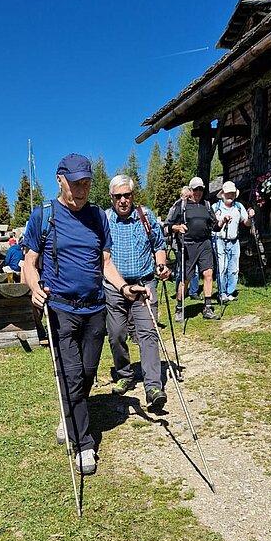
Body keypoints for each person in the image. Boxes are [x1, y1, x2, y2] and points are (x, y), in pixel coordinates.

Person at [22, 153, 148, 475]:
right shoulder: (44, 216)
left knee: (87, 373)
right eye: (76, 183)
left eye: (87, 183)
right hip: (61, 308)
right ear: (60, 180)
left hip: (95, 309)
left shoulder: (97, 217)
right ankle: (83, 445)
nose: (81, 189)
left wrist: (124, 288)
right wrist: (35, 287)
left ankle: (69, 414)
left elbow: (106, 263)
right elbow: (29, 263)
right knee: (72, 376)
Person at [104, 174, 170, 409]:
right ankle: (124, 375)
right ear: (111, 198)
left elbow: (159, 244)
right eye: (118, 196)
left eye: (127, 195)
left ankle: (153, 386)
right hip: (114, 287)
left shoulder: (146, 216)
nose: (123, 200)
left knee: (148, 333)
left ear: (133, 195)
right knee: (116, 333)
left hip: (144, 284)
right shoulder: (106, 219)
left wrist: (161, 265)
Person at [166, 176, 227, 321]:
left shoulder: (206, 205)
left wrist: (222, 221)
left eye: (201, 189)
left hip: (205, 244)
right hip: (188, 245)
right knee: (186, 279)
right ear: (190, 190)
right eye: (196, 189)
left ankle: (207, 308)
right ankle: (179, 308)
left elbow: (215, 227)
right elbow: (167, 226)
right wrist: (177, 227)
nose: (199, 192)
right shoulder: (182, 206)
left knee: (208, 274)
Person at [212, 181, 255, 301]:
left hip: (234, 241)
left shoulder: (238, 207)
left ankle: (230, 292)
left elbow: (246, 223)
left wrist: (250, 217)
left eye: (232, 193)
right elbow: (212, 224)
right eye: (228, 193)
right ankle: (222, 293)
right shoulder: (216, 207)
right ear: (223, 194)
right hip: (219, 240)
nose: (230, 195)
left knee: (234, 268)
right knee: (222, 267)